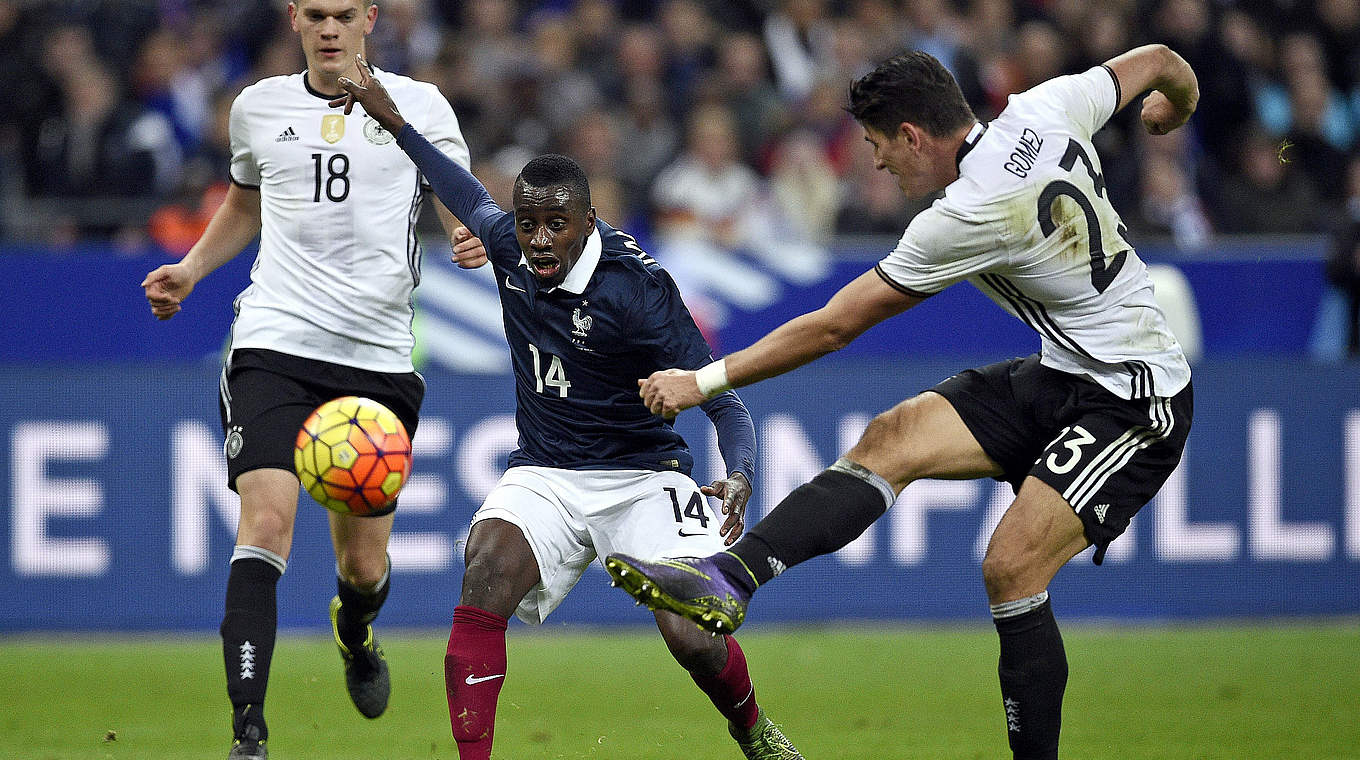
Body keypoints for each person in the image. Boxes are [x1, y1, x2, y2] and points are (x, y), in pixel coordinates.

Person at [608, 44, 1198, 760]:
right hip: (1065, 371)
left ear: (915, 137)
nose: (878, 163)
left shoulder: (968, 213)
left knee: (1011, 566)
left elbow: (834, 327)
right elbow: (1161, 59)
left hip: (1136, 398)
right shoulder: (1045, 109)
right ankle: (728, 579)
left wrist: (700, 382)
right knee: (895, 436)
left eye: (879, 146)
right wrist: (1178, 104)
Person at [332, 57, 805, 760]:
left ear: (588, 221)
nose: (540, 239)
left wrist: (738, 475)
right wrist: (393, 119)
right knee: (484, 572)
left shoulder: (639, 292)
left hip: (646, 475)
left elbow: (725, 402)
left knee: (692, 636)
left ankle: (753, 729)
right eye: (528, 224)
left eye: (556, 224)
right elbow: (462, 190)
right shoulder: (511, 248)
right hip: (547, 472)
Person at [139, 3, 485, 759]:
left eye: (343, 15)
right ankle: (248, 733)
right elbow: (243, 202)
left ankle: (356, 631)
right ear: (296, 18)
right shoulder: (258, 107)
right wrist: (193, 270)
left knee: (363, 566)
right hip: (275, 343)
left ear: (369, 18)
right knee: (264, 524)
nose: (330, 29)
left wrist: (468, 231)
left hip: (379, 358)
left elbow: (456, 188)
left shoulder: (419, 105)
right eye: (316, 14)